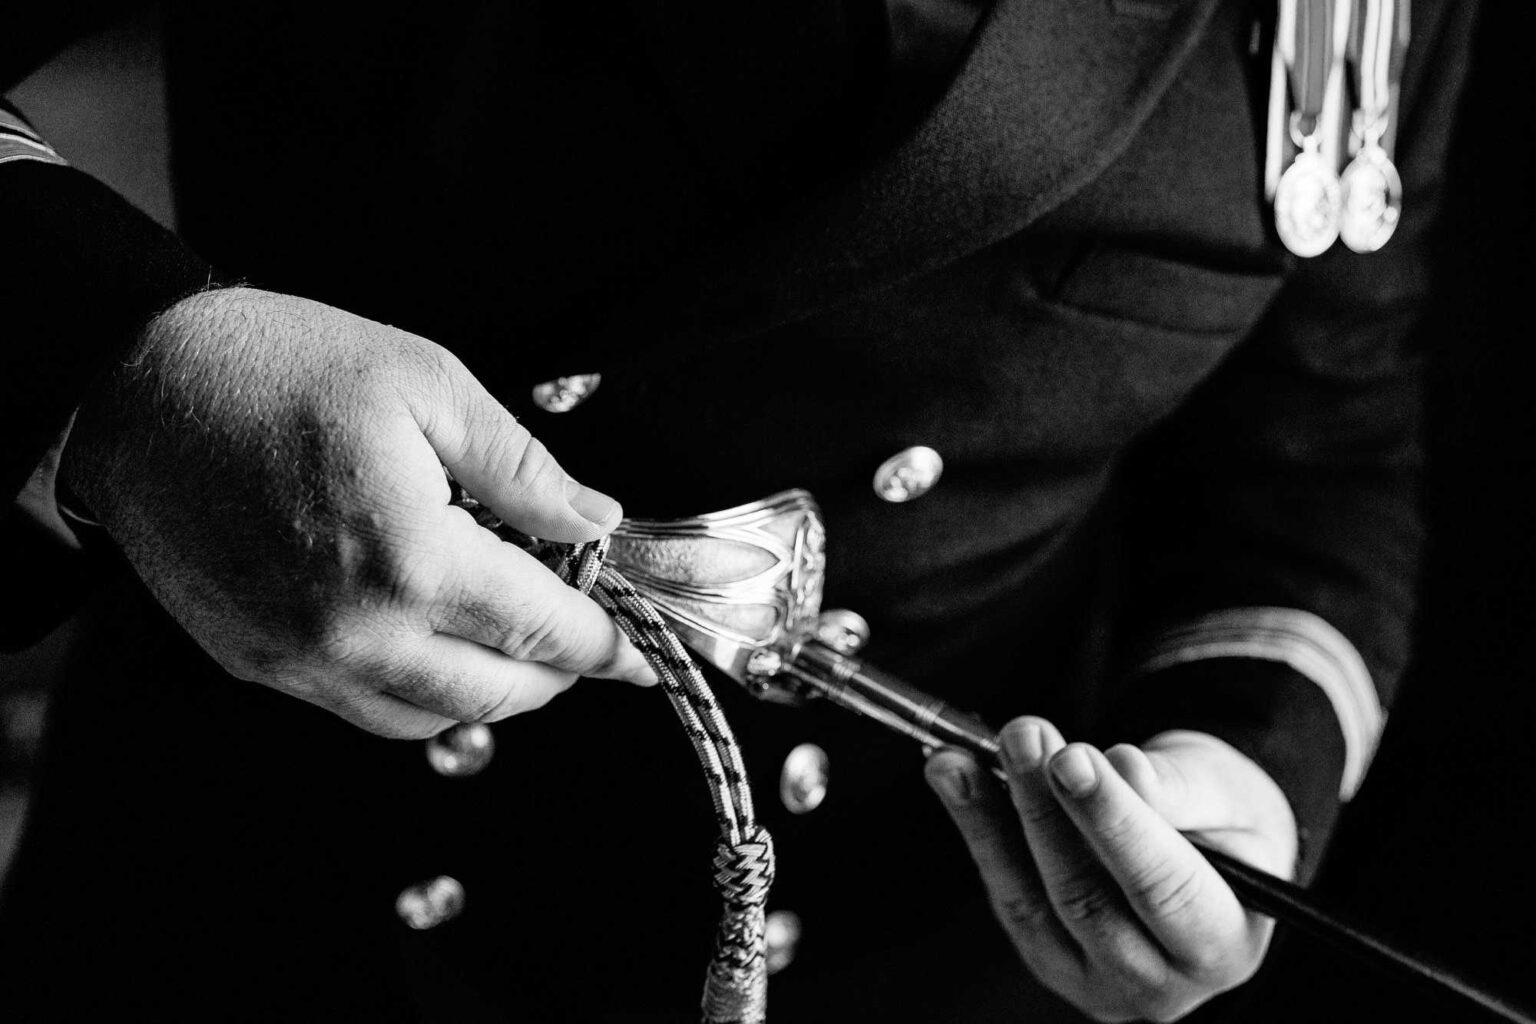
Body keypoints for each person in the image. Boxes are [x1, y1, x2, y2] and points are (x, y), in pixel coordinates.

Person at [0, 1, 1476, 1020]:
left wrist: (1251, 776)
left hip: (944, 960)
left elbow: (1320, 438)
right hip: (280, 894)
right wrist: (116, 379)